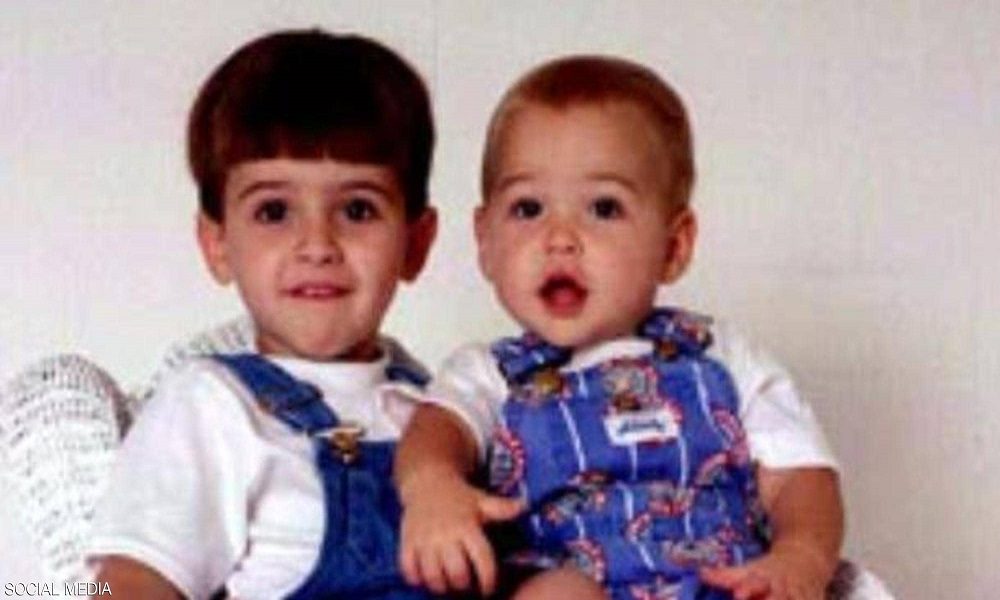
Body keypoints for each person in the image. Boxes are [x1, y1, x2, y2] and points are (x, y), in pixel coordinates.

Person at [395, 55, 844, 600]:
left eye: (604, 208)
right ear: (485, 241)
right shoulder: (489, 374)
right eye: (528, 208)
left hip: (720, 581)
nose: (560, 238)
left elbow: (800, 476)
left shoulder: (722, 357)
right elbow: (436, 433)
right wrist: (433, 487)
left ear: (673, 247)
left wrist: (801, 555)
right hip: (571, 581)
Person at [88, 29, 438, 599]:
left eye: (357, 209)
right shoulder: (211, 406)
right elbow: (132, 582)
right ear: (217, 244)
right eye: (274, 211)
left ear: (416, 243)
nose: (317, 244)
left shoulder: (444, 409)